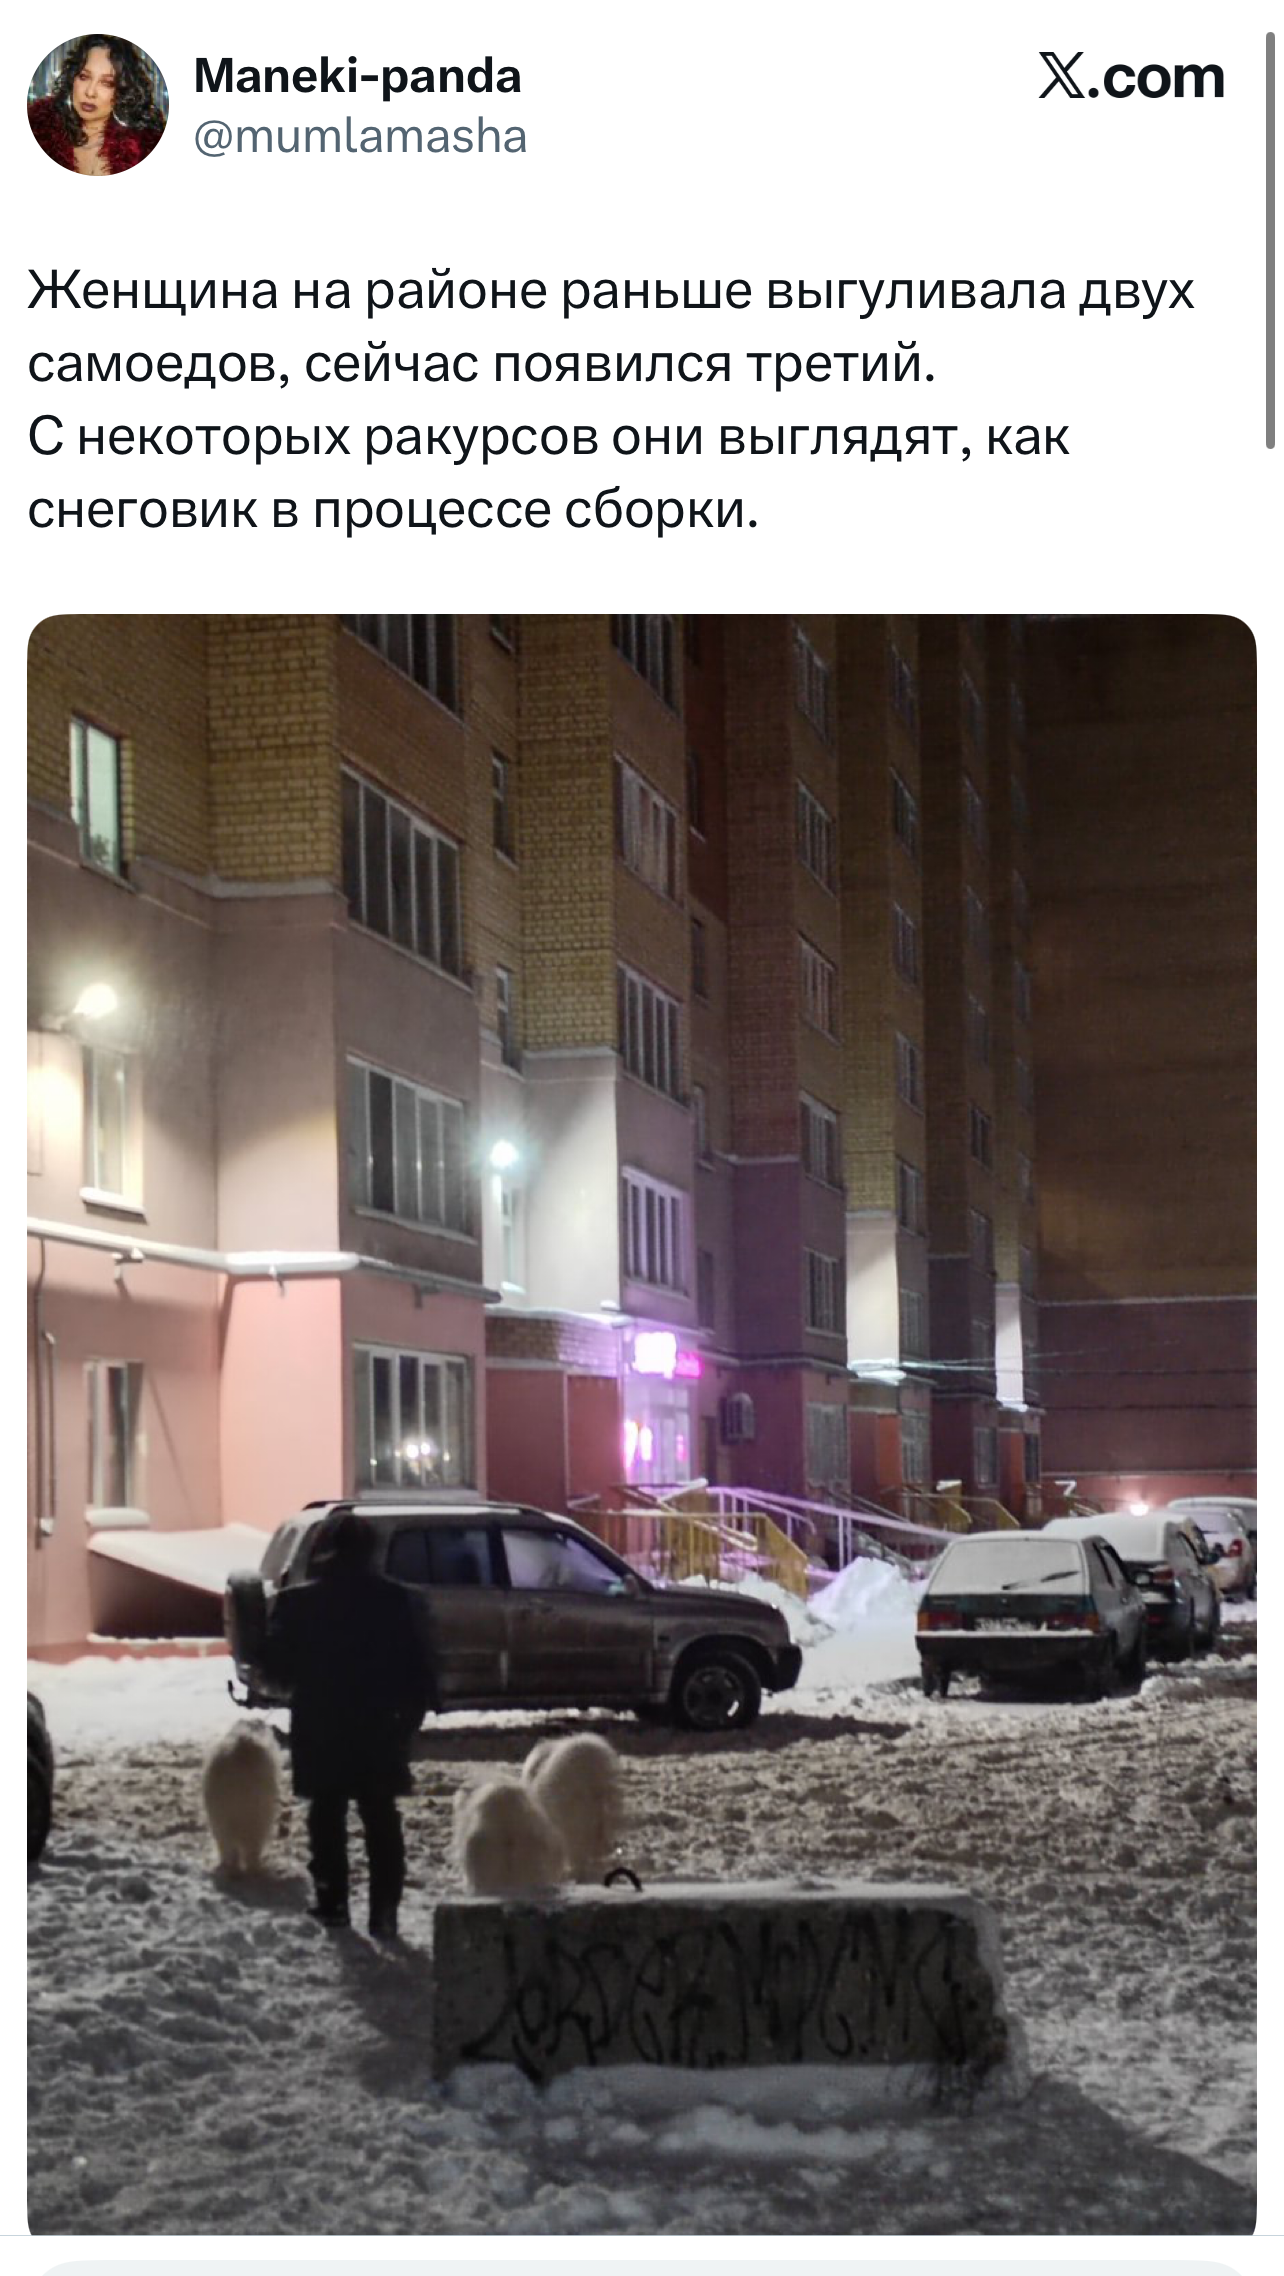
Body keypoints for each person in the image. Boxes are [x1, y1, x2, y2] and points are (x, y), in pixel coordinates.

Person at [266, 1511, 434, 1940]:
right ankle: (384, 1912)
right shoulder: (396, 1601)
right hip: (379, 1726)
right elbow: (419, 1670)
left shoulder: (298, 1604)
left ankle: (333, 1903)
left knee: (326, 1816)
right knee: (381, 1818)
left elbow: (276, 1670)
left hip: (322, 1725)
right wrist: (407, 1722)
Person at [28, 37, 167, 176]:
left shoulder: (144, 148)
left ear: (123, 90)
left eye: (107, 83)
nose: (90, 92)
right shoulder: (38, 131)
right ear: (72, 79)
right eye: (84, 77)